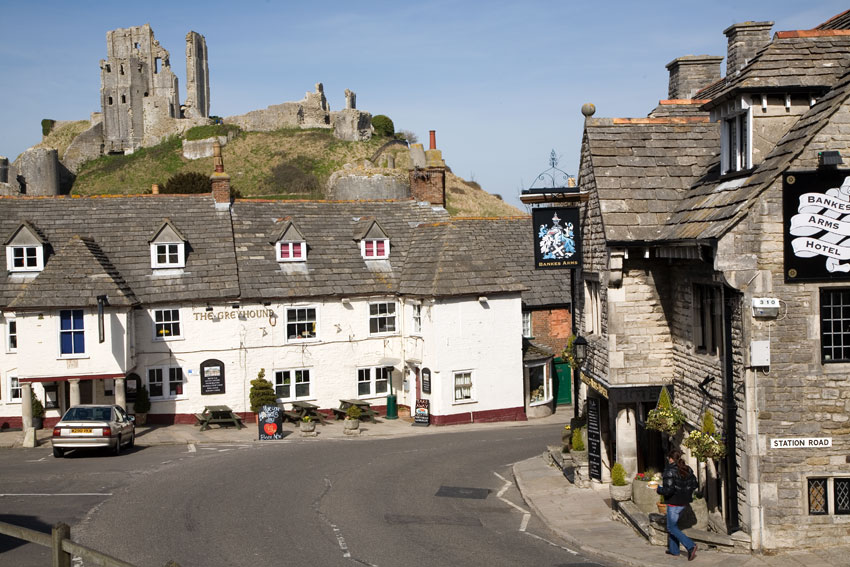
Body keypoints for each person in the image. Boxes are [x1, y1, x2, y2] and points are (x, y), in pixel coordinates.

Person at [657, 448, 699, 560]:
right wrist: (686, 491)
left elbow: (668, 490)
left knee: (671, 528)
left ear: (671, 459)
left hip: (674, 503)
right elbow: (695, 485)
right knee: (673, 526)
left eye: (668, 458)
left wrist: (658, 489)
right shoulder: (688, 469)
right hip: (684, 503)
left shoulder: (669, 471)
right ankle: (674, 550)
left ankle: (691, 546)